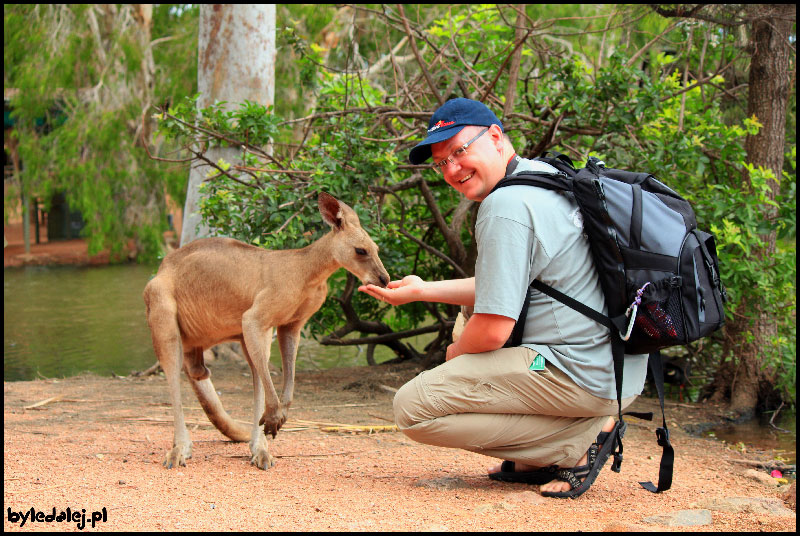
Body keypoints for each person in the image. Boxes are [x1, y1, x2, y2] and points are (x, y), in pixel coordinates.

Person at [358, 98, 647, 498]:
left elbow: (493, 330)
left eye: (459, 151)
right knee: (468, 313)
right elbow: (508, 283)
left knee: (413, 407)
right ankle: (543, 452)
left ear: (494, 136)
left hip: (576, 372)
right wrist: (421, 291)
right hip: (618, 368)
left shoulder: (504, 205)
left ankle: (575, 441)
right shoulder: (545, 174)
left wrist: (455, 355)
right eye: (441, 162)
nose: (452, 169)